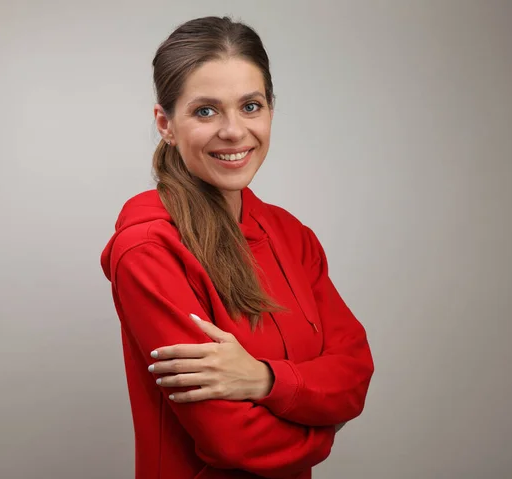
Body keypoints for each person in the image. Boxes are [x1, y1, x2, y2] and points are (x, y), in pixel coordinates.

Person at [101, 16, 374, 479]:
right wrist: (324, 427)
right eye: (205, 111)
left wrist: (265, 378)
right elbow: (231, 440)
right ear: (166, 124)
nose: (234, 131)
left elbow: (354, 374)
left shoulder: (293, 236)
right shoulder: (148, 250)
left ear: (270, 109)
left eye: (250, 106)